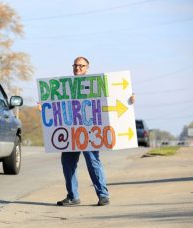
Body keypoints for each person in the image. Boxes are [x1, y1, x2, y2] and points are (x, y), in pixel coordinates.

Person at [56, 56, 135, 206]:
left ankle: (103, 195)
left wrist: (129, 98)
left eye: (81, 65)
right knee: (67, 163)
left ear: (87, 68)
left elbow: (114, 95)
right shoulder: (64, 87)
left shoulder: (95, 85)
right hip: (71, 132)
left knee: (93, 162)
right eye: (75, 65)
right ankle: (73, 196)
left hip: (89, 132)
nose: (77, 68)